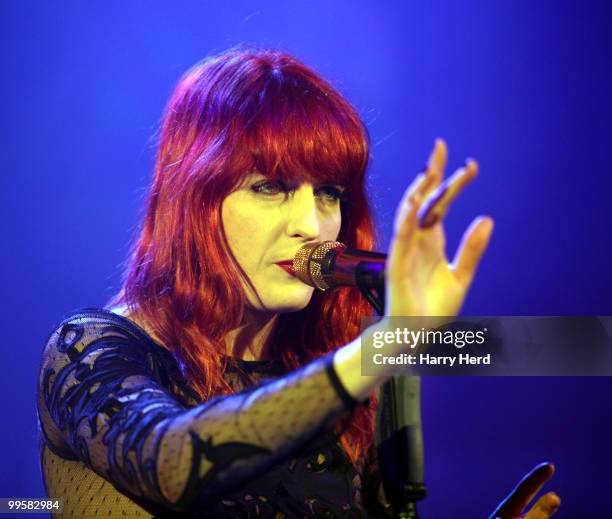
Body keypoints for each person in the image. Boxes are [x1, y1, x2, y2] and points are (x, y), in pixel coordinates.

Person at [36, 47, 560, 518]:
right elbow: (173, 463)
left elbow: (556, 350)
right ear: (192, 201)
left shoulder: (329, 368)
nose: (312, 225)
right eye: (270, 187)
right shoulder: (89, 350)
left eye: (328, 193)